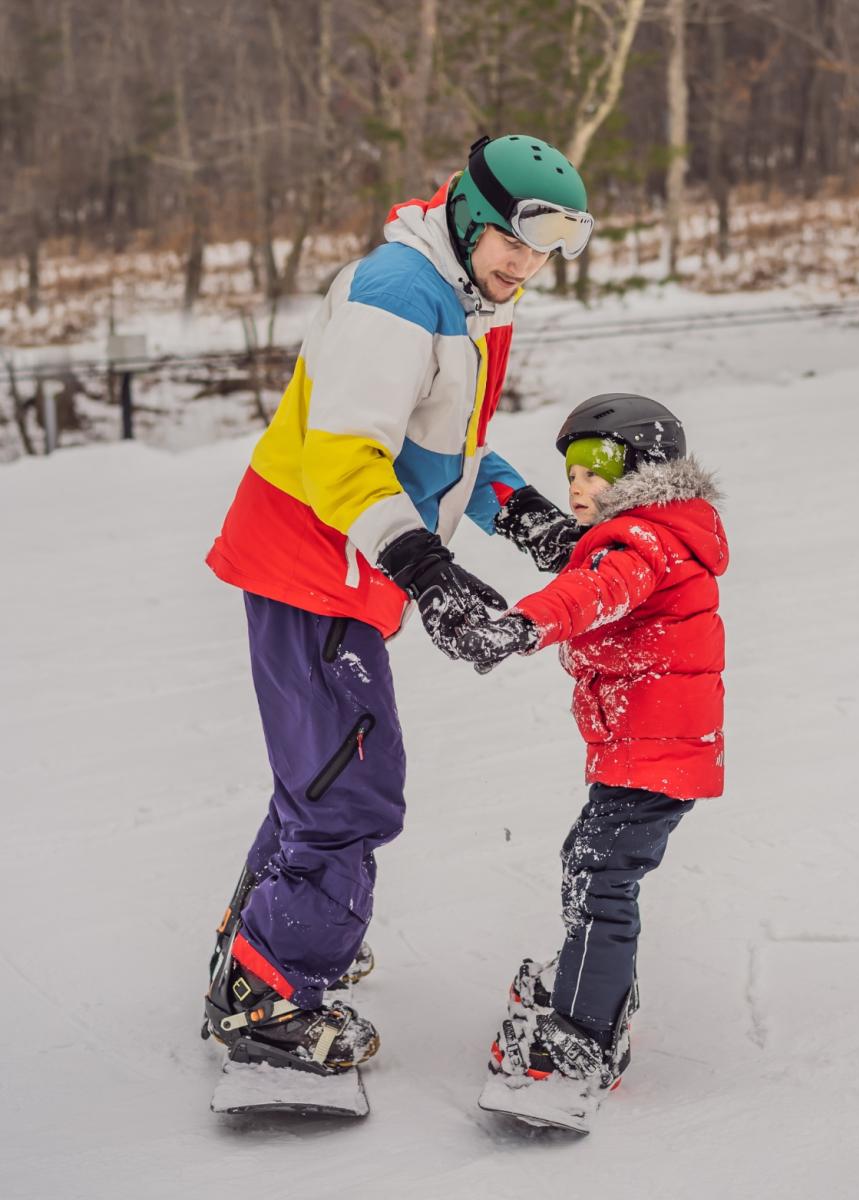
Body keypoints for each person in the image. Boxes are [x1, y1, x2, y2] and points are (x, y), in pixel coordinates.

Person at [201, 134, 596, 1076]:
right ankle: (268, 995)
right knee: (351, 787)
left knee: (321, 770)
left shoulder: (464, 297)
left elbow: (442, 444)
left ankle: (262, 939)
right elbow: (343, 455)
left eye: (546, 252)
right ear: (469, 215)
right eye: (515, 241)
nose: (526, 266)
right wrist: (424, 567)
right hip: (315, 562)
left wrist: (524, 515)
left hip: (343, 565)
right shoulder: (399, 294)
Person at [455, 393, 728, 1115]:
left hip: (655, 754)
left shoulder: (640, 543)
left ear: (641, 471)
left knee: (602, 877)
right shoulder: (656, 531)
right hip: (647, 752)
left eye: (595, 469)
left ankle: (584, 1030)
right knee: (590, 861)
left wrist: (519, 625)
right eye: (570, 470)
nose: (576, 485)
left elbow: (592, 592)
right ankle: (596, 979)